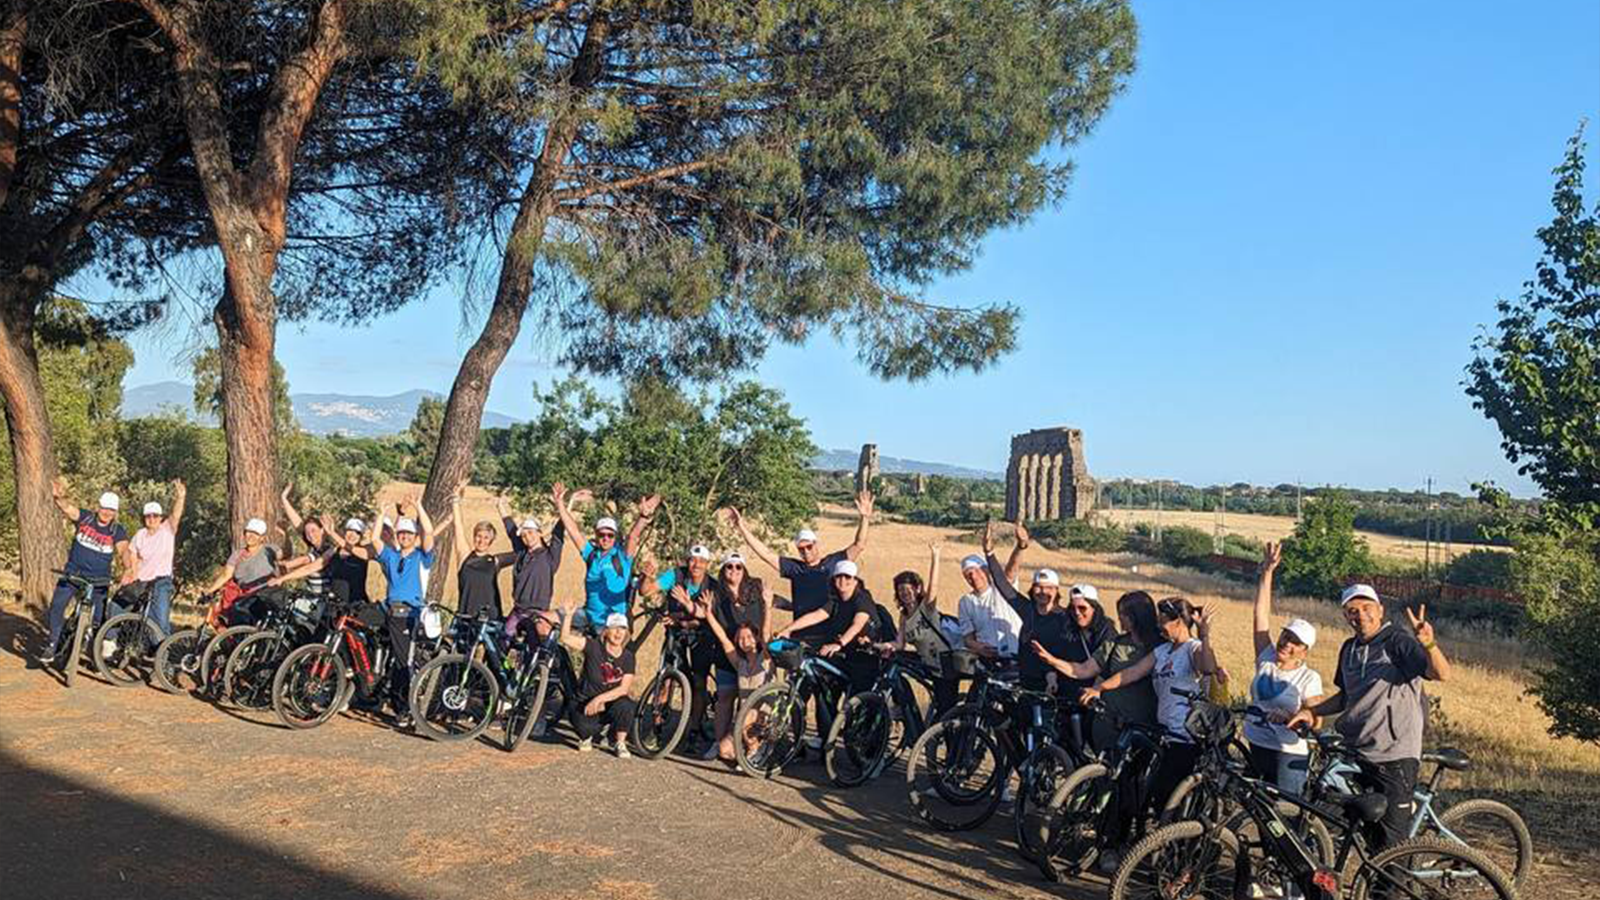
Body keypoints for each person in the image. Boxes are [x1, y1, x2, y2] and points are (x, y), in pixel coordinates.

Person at [1288, 584, 1451, 850]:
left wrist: (1428, 644)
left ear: (1380, 610)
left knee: (1391, 846)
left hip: (1394, 755)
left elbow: (1442, 674)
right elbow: (1345, 697)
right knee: (1364, 831)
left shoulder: (1397, 641)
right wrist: (1311, 710)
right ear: (1345, 615)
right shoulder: (1349, 649)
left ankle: (1393, 888)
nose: (1360, 615)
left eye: (1367, 608)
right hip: (1359, 752)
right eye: (1353, 610)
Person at [725, 488, 873, 644]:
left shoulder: (833, 563)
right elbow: (766, 554)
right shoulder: (795, 568)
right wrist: (741, 528)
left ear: (816, 544)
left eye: (809, 547)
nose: (806, 551)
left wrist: (864, 518)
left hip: (830, 634)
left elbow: (859, 545)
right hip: (801, 634)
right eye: (801, 549)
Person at [1243, 542, 1324, 794]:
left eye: (1295, 642)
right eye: (1286, 636)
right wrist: (1267, 572)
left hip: (1287, 754)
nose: (1286, 643)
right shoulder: (1266, 656)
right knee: (1256, 811)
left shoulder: (1308, 678)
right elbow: (1260, 615)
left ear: (1304, 650)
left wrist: (1291, 717)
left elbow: (1317, 720)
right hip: (1256, 743)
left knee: (1285, 814)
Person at [775, 558, 878, 744]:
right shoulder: (835, 601)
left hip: (863, 658)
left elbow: (858, 623)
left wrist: (839, 643)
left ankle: (864, 748)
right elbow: (816, 615)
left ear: (855, 580)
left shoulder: (863, 599)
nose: (843, 581)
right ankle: (825, 739)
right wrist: (787, 629)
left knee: (857, 704)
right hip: (842, 657)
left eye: (848, 577)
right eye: (839, 577)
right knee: (825, 691)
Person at [33, 478, 132, 667]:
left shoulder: (117, 530)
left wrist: (128, 568)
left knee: (98, 619)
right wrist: (59, 497)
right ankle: (52, 644)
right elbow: (68, 508)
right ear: (98, 507)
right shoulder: (86, 517)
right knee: (57, 606)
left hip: (99, 580)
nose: (106, 513)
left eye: (111, 510)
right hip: (73, 573)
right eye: (104, 508)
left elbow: (124, 550)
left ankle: (95, 654)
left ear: (115, 512)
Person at [639, 543, 720, 754]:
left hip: (701, 637)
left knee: (699, 684)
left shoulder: (712, 586)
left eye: (701, 562)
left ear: (707, 564)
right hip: (675, 636)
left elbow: (707, 617)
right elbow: (646, 591)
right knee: (665, 680)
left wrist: (680, 619)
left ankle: (692, 732)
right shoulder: (675, 575)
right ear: (687, 560)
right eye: (693, 560)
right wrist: (647, 576)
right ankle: (656, 728)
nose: (696, 565)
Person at [368, 496, 439, 728]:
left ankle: (405, 709)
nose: (405, 537)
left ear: (414, 537)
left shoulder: (421, 557)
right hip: (390, 611)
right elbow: (374, 539)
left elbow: (429, 535)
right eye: (401, 534)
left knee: (403, 662)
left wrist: (419, 506)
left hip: (409, 615)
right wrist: (381, 513)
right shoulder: (391, 556)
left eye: (409, 534)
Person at [550, 482, 658, 634]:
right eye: (602, 535)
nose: (606, 538)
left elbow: (634, 536)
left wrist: (643, 516)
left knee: (598, 652)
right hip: (587, 616)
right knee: (543, 619)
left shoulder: (621, 556)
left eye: (610, 535)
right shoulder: (591, 554)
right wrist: (560, 503)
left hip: (611, 622)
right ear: (596, 535)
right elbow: (573, 530)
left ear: (614, 537)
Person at [704, 553, 773, 762]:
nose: (745, 641)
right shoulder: (740, 661)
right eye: (729, 567)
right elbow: (725, 640)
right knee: (725, 751)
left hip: (760, 714)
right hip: (744, 716)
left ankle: (758, 748)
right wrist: (708, 613)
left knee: (748, 716)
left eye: (738, 567)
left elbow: (767, 634)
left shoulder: (765, 657)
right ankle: (744, 749)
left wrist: (768, 605)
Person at [883, 543, 962, 719]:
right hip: (927, 662)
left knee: (946, 712)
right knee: (893, 662)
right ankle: (903, 708)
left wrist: (936, 557)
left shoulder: (927, 608)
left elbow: (933, 587)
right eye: (901, 590)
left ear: (917, 589)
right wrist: (879, 645)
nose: (904, 593)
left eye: (908, 589)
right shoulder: (904, 616)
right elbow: (899, 644)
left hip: (944, 664)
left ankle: (953, 743)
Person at [558, 598, 637, 759]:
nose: (618, 633)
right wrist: (568, 616)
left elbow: (624, 688)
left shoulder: (628, 657)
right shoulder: (593, 646)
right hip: (585, 701)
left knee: (627, 705)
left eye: (622, 629)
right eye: (615, 629)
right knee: (584, 727)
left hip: (608, 703)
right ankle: (589, 735)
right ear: (606, 631)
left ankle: (619, 742)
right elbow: (565, 639)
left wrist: (600, 699)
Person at [119, 479, 186, 638]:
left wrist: (180, 497)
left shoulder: (167, 530)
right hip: (141, 581)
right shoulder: (140, 534)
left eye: (155, 516)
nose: (152, 519)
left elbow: (175, 515)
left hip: (161, 581)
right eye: (148, 516)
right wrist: (131, 573)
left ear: (161, 517)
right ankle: (114, 643)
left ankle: (162, 655)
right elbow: (132, 554)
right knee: (122, 608)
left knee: (160, 619)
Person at [495, 494, 567, 643]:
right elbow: (510, 529)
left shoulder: (550, 556)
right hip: (518, 610)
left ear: (539, 533)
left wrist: (564, 506)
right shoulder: (521, 552)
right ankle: (504, 666)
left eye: (531, 533)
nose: (527, 537)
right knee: (503, 643)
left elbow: (559, 532)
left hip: (538, 613)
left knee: (534, 648)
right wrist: (500, 505)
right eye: (524, 535)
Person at [447, 488, 518, 622]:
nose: (481, 540)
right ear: (474, 537)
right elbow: (458, 528)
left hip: (489, 619)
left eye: (486, 537)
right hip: (466, 616)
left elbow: (522, 551)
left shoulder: (495, 561)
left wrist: (501, 508)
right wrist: (455, 501)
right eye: (478, 536)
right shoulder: (465, 557)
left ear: (491, 541)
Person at [202, 516, 281, 624]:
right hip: (244, 597)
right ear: (244, 533)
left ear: (262, 537)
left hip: (264, 596)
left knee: (239, 610)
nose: (251, 536)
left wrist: (285, 536)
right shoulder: (237, 554)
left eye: (256, 534)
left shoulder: (269, 549)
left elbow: (282, 554)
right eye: (248, 532)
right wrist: (209, 591)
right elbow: (226, 575)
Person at [955, 544, 1024, 663]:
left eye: (977, 570)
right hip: (989, 661)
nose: (973, 576)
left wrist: (1020, 547)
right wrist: (980, 648)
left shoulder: (1002, 588)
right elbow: (968, 638)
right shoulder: (966, 602)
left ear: (986, 570)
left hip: (1017, 656)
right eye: (968, 574)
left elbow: (1011, 571)